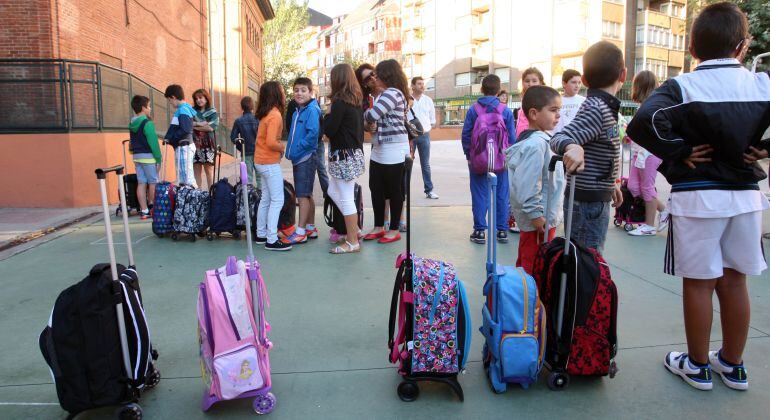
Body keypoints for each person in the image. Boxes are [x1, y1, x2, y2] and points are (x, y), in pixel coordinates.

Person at [627, 2, 770, 391]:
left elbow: (643, 122)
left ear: (692, 48)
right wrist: (766, 148)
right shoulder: (761, 84)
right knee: (736, 279)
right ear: (742, 46)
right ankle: (733, 365)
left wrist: (680, 151)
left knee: (699, 282)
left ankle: (697, 365)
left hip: (697, 196)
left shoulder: (681, 86)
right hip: (744, 196)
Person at [549, 41, 626, 253]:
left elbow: (599, 152)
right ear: (623, 75)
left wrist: (610, 184)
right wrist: (572, 146)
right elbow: (558, 138)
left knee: (588, 261)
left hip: (594, 197)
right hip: (586, 204)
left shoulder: (603, 106)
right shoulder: (597, 108)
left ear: (583, 80)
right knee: (586, 264)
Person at [506, 85, 565, 273]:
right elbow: (528, 185)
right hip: (539, 222)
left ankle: (525, 298)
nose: (558, 115)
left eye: (559, 111)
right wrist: (536, 216)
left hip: (541, 219)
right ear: (533, 113)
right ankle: (530, 301)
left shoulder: (538, 140)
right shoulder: (536, 145)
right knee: (534, 267)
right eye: (553, 110)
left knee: (529, 262)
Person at [461, 74, 516, 244]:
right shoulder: (505, 110)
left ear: (482, 89)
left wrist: (468, 155)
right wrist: (508, 157)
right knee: (501, 194)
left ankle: (479, 232)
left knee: (479, 194)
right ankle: (502, 231)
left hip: (478, 159)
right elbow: (512, 138)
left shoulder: (473, 109)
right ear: (499, 90)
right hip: (500, 159)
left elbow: (466, 135)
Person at [362, 59, 411, 244]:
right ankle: (379, 226)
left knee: (394, 190)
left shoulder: (393, 93)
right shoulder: (384, 95)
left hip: (394, 149)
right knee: (376, 188)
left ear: (386, 75)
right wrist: (370, 122)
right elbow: (372, 121)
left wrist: (367, 117)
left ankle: (393, 229)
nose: (374, 78)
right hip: (380, 148)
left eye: (376, 74)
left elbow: (371, 115)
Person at [324, 63, 366, 254]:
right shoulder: (355, 101)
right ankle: (354, 230)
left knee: (346, 198)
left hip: (343, 156)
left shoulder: (340, 103)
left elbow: (330, 130)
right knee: (333, 190)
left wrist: (325, 117)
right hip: (352, 154)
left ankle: (352, 242)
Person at [625, 70, 670, 236]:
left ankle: (649, 225)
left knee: (646, 187)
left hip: (649, 153)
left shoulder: (653, 107)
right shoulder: (646, 106)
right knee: (633, 186)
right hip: (640, 152)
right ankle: (664, 210)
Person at [283, 77, 323, 245]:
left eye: (303, 90)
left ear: (310, 92)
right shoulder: (297, 111)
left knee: (302, 195)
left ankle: (300, 232)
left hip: (305, 157)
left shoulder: (312, 110)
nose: (299, 93)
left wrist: (297, 150)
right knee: (307, 194)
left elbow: (313, 135)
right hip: (299, 157)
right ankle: (310, 227)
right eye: (296, 90)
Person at [253, 81, 291, 251]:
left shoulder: (265, 114)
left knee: (266, 199)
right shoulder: (275, 115)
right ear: (277, 94)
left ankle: (261, 234)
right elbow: (270, 142)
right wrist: (282, 147)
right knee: (277, 200)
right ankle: (271, 239)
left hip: (260, 161)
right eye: (282, 91)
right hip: (269, 162)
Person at [128, 95, 162, 219]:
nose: (150, 108)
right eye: (149, 106)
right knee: (153, 182)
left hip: (137, 157)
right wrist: (158, 158)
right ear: (143, 108)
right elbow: (153, 142)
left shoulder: (132, 123)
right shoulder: (147, 123)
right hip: (148, 157)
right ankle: (153, 207)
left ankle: (144, 210)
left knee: (141, 183)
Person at [163, 84, 197, 188]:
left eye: (169, 100)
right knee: (186, 176)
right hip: (185, 145)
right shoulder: (186, 108)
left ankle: (192, 200)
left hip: (184, 146)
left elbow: (185, 129)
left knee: (186, 178)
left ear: (173, 97)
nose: (170, 103)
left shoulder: (182, 110)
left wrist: (171, 138)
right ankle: (191, 199)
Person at [410, 76, 438, 199]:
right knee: (408, 164)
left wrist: (425, 128)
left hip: (424, 135)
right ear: (412, 86)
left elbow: (432, 120)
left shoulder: (428, 100)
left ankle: (429, 190)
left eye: (423, 83)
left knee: (425, 164)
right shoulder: (407, 100)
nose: (422, 86)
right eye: (419, 83)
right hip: (410, 136)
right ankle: (404, 191)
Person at [191, 89, 219, 190]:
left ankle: (211, 195)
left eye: (200, 98)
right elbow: (188, 124)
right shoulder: (192, 111)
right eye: (196, 98)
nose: (198, 100)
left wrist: (195, 126)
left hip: (208, 145)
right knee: (196, 171)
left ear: (206, 98)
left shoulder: (212, 112)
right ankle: (198, 195)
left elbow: (211, 127)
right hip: (195, 145)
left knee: (209, 171)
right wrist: (202, 124)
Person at [230, 96, 260, 187]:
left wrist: (241, 147)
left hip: (245, 152)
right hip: (259, 152)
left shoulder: (239, 121)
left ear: (242, 107)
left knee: (247, 178)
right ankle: (261, 197)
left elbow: (233, 137)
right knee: (260, 178)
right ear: (252, 107)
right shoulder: (258, 120)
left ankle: (249, 198)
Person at [554, 69, 586, 133]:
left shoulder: (584, 101)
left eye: (579, 82)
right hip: (559, 138)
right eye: (573, 82)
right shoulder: (554, 101)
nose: (577, 85)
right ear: (564, 83)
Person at [515, 67, 544, 138]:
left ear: (540, 82)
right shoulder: (523, 98)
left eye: (534, 81)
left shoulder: (544, 99)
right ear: (522, 83)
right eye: (527, 81)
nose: (530, 84)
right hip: (521, 136)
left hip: (535, 136)